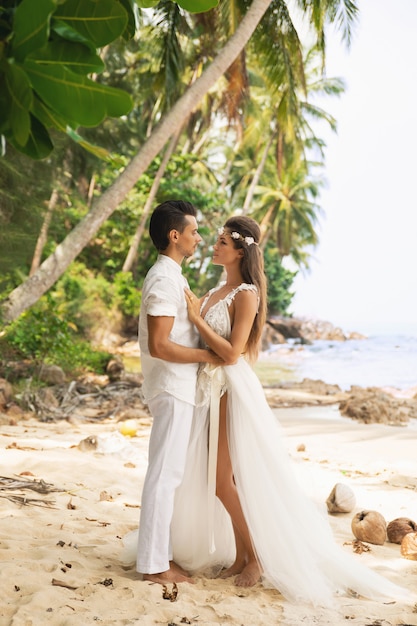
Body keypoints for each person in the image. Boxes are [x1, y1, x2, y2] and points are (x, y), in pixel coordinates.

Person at [168, 215, 413, 606]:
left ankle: (258, 557)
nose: (213, 246)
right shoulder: (216, 290)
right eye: (213, 240)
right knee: (226, 480)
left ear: (239, 251)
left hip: (230, 389)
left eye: (221, 243)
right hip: (207, 390)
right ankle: (240, 555)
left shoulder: (246, 293)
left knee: (221, 480)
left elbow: (232, 353)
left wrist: (197, 318)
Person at [135, 200, 222, 585]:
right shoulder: (164, 280)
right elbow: (159, 345)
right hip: (171, 386)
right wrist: (207, 354)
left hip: (179, 386)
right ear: (175, 236)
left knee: (169, 473)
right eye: (193, 231)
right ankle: (154, 566)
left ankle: (160, 556)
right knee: (164, 475)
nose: (199, 238)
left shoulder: (174, 277)